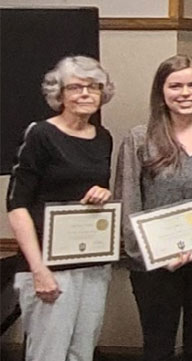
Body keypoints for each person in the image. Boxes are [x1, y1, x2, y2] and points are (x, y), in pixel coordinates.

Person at [115, 54, 192, 361]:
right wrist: (154, 254)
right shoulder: (138, 138)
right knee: (158, 348)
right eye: (175, 86)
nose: (185, 93)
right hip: (157, 266)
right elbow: (128, 201)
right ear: (161, 91)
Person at [6, 56, 115, 361]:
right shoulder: (40, 134)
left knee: (82, 353)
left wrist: (103, 194)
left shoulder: (102, 138)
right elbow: (17, 205)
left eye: (93, 87)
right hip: (48, 267)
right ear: (59, 94)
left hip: (91, 263)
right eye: (76, 87)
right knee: (48, 355)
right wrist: (39, 269)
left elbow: (92, 193)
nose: (85, 94)